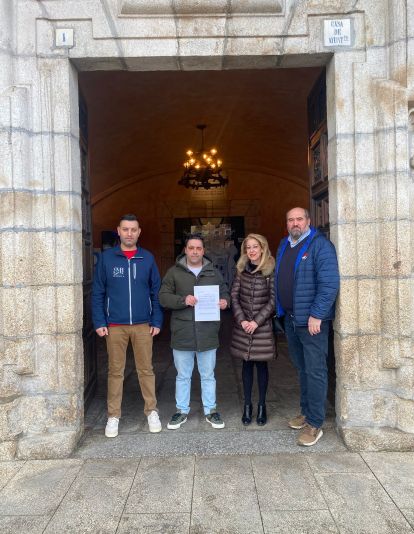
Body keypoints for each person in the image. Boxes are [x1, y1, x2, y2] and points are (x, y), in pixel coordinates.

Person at [92, 214, 163, 437]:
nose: (129, 233)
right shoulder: (107, 258)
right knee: (115, 371)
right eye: (125, 229)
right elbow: (98, 292)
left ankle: (151, 410)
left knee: (146, 370)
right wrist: (99, 321)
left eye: (133, 229)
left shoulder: (148, 258)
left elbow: (156, 292)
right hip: (114, 325)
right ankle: (113, 416)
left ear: (139, 232)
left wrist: (157, 320)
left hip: (143, 324)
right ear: (119, 231)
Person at [275, 207, 339, 446]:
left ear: (308, 221)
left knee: (315, 371)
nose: (295, 223)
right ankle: (306, 411)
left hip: (311, 322)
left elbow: (329, 284)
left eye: (299, 219)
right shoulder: (285, 244)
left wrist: (317, 315)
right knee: (302, 369)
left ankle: (315, 423)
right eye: (290, 219)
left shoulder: (320, 246)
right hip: (291, 319)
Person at [159, 234, 230, 430]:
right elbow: (163, 297)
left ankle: (211, 410)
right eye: (191, 248)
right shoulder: (174, 272)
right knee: (183, 375)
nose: (195, 252)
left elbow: (225, 292)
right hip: (183, 331)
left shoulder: (213, 273)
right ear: (185, 250)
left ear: (203, 251)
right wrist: (183, 301)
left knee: (208, 375)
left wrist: (225, 302)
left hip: (207, 332)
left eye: (198, 248)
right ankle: (181, 411)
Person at [230, 234, 276, 426]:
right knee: (246, 366)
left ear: (263, 248)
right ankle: (247, 406)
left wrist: (256, 322)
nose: (251, 251)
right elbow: (234, 296)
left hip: (261, 327)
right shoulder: (241, 270)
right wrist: (242, 320)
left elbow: (273, 300)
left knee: (261, 366)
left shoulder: (270, 271)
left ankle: (262, 406)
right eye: (248, 247)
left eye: (255, 247)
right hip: (244, 327)